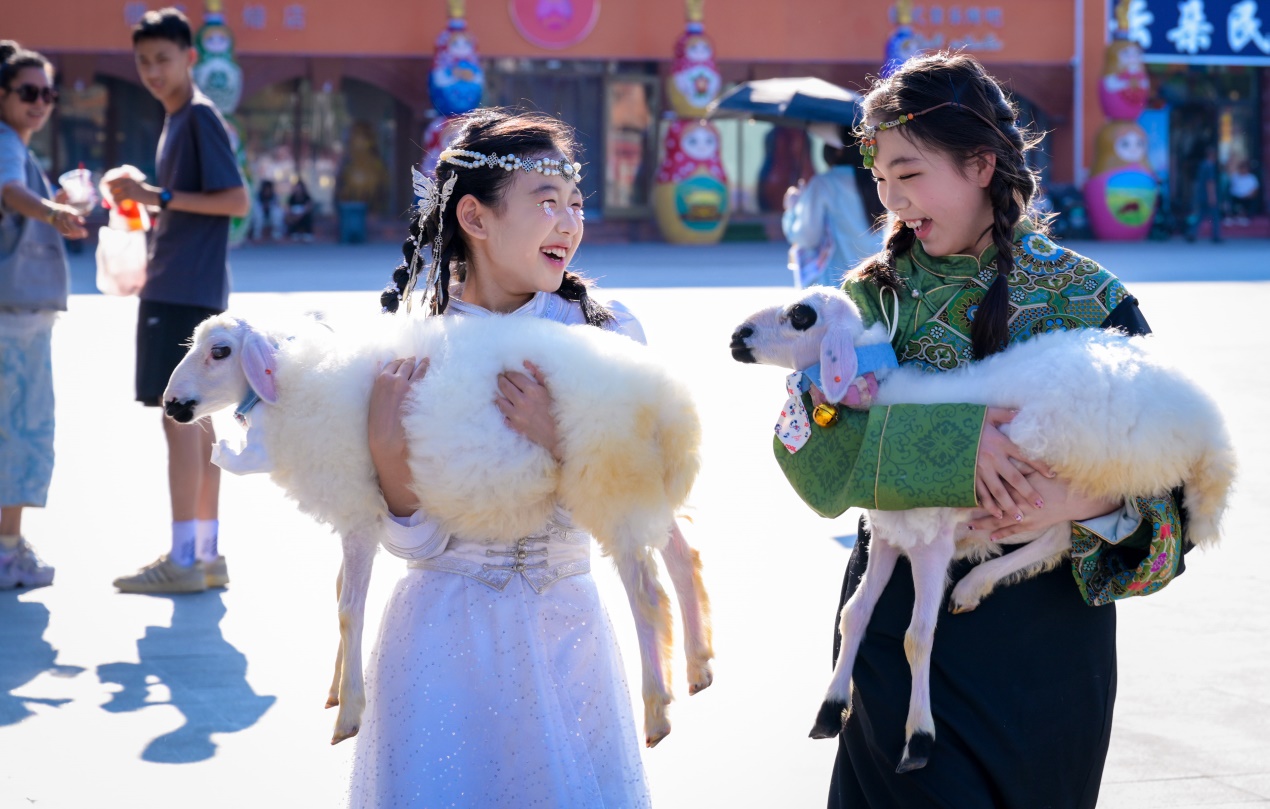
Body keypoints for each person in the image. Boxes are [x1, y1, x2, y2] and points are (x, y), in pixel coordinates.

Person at [772, 52, 1187, 808]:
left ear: (981, 164)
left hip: (1048, 662)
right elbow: (803, 447)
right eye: (882, 177)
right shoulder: (867, 300)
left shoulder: (1093, 300)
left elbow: (1175, 517)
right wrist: (958, 448)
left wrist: (1074, 504)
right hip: (899, 651)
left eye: (911, 173)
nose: (893, 199)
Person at [347, 109, 658, 808]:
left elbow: (638, 516)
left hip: (565, 630)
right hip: (438, 642)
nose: (569, 223)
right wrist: (387, 452)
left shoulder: (604, 335)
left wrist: (565, 439)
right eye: (546, 203)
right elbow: (413, 540)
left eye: (576, 203)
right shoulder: (413, 345)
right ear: (476, 218)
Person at [110, 8, 250, 595]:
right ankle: (205, 553)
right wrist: (152, 200)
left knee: (181, 425)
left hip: (181, 291)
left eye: (162, 59)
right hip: (189, 287)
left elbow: (236, 200)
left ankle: (185, 559)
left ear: (189, 58)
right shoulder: (181, 119)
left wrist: (155, 192)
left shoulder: (195, 117)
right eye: (143, 61)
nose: (152, 71)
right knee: (199, 428)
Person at [0, 41, 89, 589]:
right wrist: (53, 209)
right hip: (17, 316)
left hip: (15, 313)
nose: (40, 102)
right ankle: (9, 552)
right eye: (28, 92)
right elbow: (9, 190)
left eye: (48, 93)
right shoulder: (8, 145)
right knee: (21, 430)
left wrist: (50, 200)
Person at [782, 126, 881, 288]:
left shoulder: (824, 184)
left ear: (838, 151)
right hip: (874, 283)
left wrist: (791, 209)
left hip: (835, 287)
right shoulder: (878, 181)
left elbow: (806, 237)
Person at [1186, 144, 1222, 242]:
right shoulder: (1210, 166)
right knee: (1215, 216)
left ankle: (1192, 233)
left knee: (1200, 215)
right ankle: (1216, 236)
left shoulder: (1202, 165)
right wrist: (1212, 197)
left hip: (1201, 195)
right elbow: (1210, 183)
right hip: (1208, 195)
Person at [1227, 159, 1259, 225]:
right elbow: (1231, 187)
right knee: (1230, 201)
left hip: (1247, 198)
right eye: (1241, 168)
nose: (1243, 170)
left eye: (1244, 168)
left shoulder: (1252, 178)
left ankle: (1244, 217)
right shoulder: (1235, 176)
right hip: (1235, 197)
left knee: (1249, 201)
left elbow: (1255, 190)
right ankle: (1233, 217)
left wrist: (1248, 195)